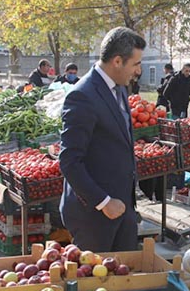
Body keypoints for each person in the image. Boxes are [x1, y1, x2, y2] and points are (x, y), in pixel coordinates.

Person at [59, 27, 145, 252]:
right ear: (117, 61)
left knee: (127, 271)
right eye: (135, 64)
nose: (139, 70)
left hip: (123, 208)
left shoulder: (120, 88)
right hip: (93, 217)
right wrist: (103, 202)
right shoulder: (82, 96)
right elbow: (69, 161)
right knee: (95, 274)